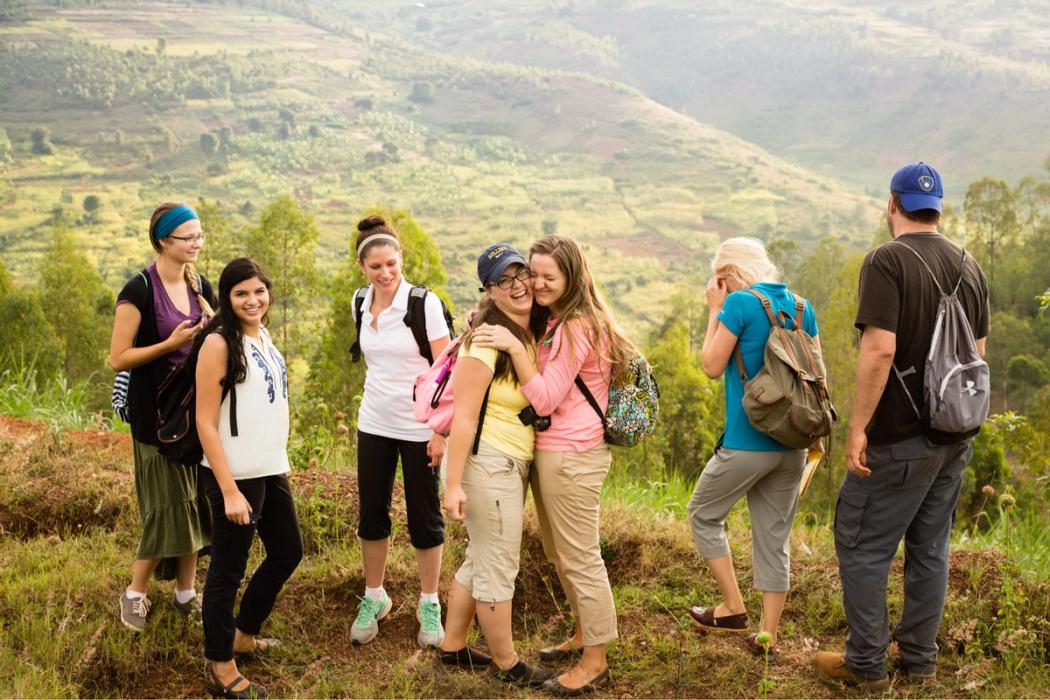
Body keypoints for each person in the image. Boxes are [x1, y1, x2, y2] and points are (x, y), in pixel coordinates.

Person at [813, 163, 990, 688]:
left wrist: (858, 428)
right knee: (930, 548)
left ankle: (865, 666)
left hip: (899, 437)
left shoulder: (886, 261)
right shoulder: (969, 264)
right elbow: (977, 355)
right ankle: (919, 664)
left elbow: (879, 349)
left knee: (862, 545)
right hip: (955, 434)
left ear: (893, 204)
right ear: (938, 209)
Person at [472, 234, 635, 697]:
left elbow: (543, 396)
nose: (537, 284)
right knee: (561, 553)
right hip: (557, 453)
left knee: (580, 556)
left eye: (549, 276)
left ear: (572, 277)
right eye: (532, 273)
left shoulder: (576, 327)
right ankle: (585, 633)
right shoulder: (560, 319)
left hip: (572, 456)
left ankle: (595, 661)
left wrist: (514, 347)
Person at [684, 237, 819, 660]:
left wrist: (713, 310)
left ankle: (732, 607)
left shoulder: (739, 304)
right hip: (793, 442)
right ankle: (768, 636)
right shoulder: (801, 307)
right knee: (773, 538)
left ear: (728, 275)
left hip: (747, 442)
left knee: (703, 514)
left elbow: (709, 365)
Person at [437, 244, 554, 688]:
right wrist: (452, 485)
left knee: (480, 556)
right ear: (489, 290)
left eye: (520, 273)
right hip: (487, 463)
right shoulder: (484, 341)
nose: (518, 285)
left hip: (509, 461)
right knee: (498, 563)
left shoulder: (526, 332)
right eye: (504, 280)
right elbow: (463, 417)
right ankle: (507, 665)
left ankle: (452, 648)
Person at [196, 258, 303, 700]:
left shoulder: (261, 335)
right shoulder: (219, 343)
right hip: (235, 474)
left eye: (258, 291)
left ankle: (243, 634)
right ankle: (221, 664)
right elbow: (205, 422)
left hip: (268, 466)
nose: (252, 300)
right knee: (227, 571)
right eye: (241, 293)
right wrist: (228, 491)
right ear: (227, 298)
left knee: (288, 551)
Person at [108, 202, 215, 632]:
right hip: (154, 418)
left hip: (193, 416)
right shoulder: (139, 291)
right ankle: (134, 593)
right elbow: (119, 357)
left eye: (199, 236)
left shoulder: (200, 284)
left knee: (191, 501)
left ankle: (186, 594)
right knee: (166, 507)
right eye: (188, 237)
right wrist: (169, 343)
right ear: (162, 242)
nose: (196, 244)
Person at [350, 215, 452, 647]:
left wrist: (441, 431)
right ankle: (375, 595)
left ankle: (429, 602)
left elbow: (448, 369)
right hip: (374, 421)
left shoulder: (422, 303)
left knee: (424, 517)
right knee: (372, 514)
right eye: (376, 267)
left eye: (391, 264)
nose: (386, 273)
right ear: (362, 268)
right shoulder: (358, 301)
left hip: (418, 425)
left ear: (401, 258)